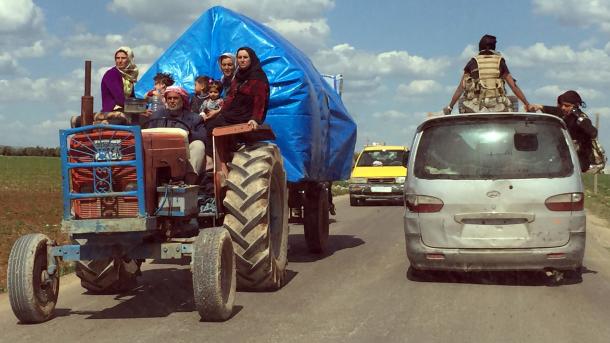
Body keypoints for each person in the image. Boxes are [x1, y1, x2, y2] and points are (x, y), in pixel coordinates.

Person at [203, 47, 270, 157]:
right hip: (233, 114)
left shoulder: (257, 77)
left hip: (246, 116)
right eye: (239, 57)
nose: (242, 60)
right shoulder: (238, 77)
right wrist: (220, 112)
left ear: (251, 59)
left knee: (222, 129)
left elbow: (260, 100)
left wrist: (255, 119)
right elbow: (230, 98)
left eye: (245, 57)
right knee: (209, 125)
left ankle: (219, 158)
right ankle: (213, 159)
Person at [444, 34, 530, 114]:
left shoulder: (472, 62)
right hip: (498, 106)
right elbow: (514, 87)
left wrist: (450, 107)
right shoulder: (499, 61)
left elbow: (460, 88)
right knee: (513, 100)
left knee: (462, 101)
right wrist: (527, 104)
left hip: (476, 108)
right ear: (494, 47)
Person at [148, 86, 206, 184]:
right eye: (169, 98)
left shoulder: (194, 118)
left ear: (182, 100)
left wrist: (189, 134)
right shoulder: (157, 116)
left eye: (175, 98)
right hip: (161, 155)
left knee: (198, 145)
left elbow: (203, 137)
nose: (172, 101)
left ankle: (188, 184)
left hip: (184, 157)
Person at [529, 90, 598, 172]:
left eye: (567, 105)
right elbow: (556, 111)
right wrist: (540, 107)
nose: (563, 107)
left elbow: (593, 132)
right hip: (566, 157)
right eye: (562, 105)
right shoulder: (565, 114)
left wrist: (578, 117)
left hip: (579, 161)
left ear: (575, 106)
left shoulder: (581, 118)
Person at [101, 46, 139, 112]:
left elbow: (132, 98)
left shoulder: (128, 76)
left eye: (123, 58)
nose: (120, 61)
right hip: (113, 110)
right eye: (117, 58)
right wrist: (138, 110)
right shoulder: (111, 74)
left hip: (126, 108)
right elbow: (120, 99)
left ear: (129, 59)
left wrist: (144, 107)